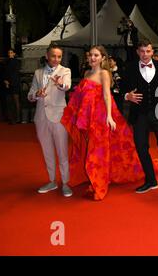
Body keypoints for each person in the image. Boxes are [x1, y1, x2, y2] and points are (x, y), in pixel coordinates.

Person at [61, 45, 146, 200]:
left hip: (100, 117)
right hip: (87, 118)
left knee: (97, 150)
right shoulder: (86, 73)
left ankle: (98, 184)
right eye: (90, 55)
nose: (92, 58)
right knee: (89, 148)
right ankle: (95, 177)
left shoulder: (104, 73)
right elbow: (81, 96)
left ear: (103, 58)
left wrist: (109, 116)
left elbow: (107, 95)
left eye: (96, 55)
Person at [123, 39, 158, 205]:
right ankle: (150, 180)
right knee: (141, 148)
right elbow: (121, 89)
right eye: (142, 51)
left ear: (152, 51)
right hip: (139, 115)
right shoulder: (130, 67)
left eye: (148, 51)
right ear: (137, 52)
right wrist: (128, 96)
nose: (145, 55)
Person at [27, 45, 72, 197]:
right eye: (53, 56)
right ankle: (52, 181)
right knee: (47, 152)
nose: (56, 59)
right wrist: (36, 94)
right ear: (47, 56)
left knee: (62, 151)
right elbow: (30, 95)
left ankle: (65, 183)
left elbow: (66, 87)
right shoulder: (38, 73)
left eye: (59, 57)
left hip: (58, 116)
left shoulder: (65, 71)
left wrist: (60, 84)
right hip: (41, 117)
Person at [4, 48, 22, 124]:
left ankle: (18, 119)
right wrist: (5, 80)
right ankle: (13, 119)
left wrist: (9, 82)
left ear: (14, 54)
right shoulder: (7, 62)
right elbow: (6, 73)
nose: (10, 54)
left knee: (16, 101)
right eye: (9, 52)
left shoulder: (16, 62)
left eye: (11, 52)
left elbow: (14, 74)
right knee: (10, 102)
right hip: (9, 84)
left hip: (14, 84)